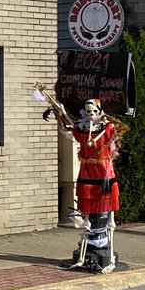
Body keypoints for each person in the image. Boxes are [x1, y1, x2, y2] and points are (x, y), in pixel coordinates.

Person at [38, 84, 131, 273]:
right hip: (87, 169)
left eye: (93, 111)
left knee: (107, 208)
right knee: (88, 208)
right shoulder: (82, 128)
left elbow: (115, 143)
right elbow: (69, 129)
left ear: (99, 111)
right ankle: (84, 252)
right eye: (87, 111)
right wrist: (60, 112)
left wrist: (112, 153)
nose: (90, 114)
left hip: (103, 169)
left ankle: (108, 253)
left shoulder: (108, 128)